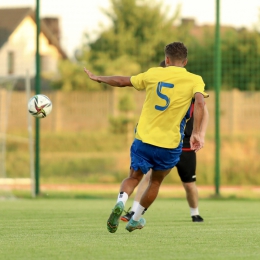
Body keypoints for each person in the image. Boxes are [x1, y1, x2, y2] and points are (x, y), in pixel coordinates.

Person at [84, 41, 208, 233]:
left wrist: (99, 77)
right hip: (169, 144)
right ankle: (136, 219)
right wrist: (198, 133)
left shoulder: (153, 73)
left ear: (166, 59)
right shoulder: (194, 80)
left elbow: (122, 81)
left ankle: (121, 201)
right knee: (155, 182)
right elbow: (200, 104)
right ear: (185, 61)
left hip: (144, 140)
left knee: (133, 177)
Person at [120, 60, 209, 223]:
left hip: (185, 145)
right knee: (149, 179)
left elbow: (203, 109)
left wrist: (200, 134)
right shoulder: (163, 90)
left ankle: (195, 213)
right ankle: (133, 212)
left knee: (188, 184)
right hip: (166, 143)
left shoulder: (189, 89)